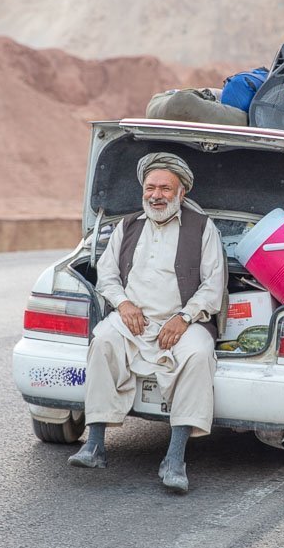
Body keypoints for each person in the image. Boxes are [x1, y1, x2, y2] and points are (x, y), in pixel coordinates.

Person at [68, 152, 225, 494]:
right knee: (103, 339)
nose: (156, 195)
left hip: (181, 322)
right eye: (150, 187)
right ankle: (94, 445)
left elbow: (214, 285)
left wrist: (184, 318)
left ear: (182, 192)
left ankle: (174, 458)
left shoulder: (202, 227)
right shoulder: (128, 226)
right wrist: (122, 304)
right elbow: (107, 275)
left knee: (198, 355)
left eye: (165, 188)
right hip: (134, 320)